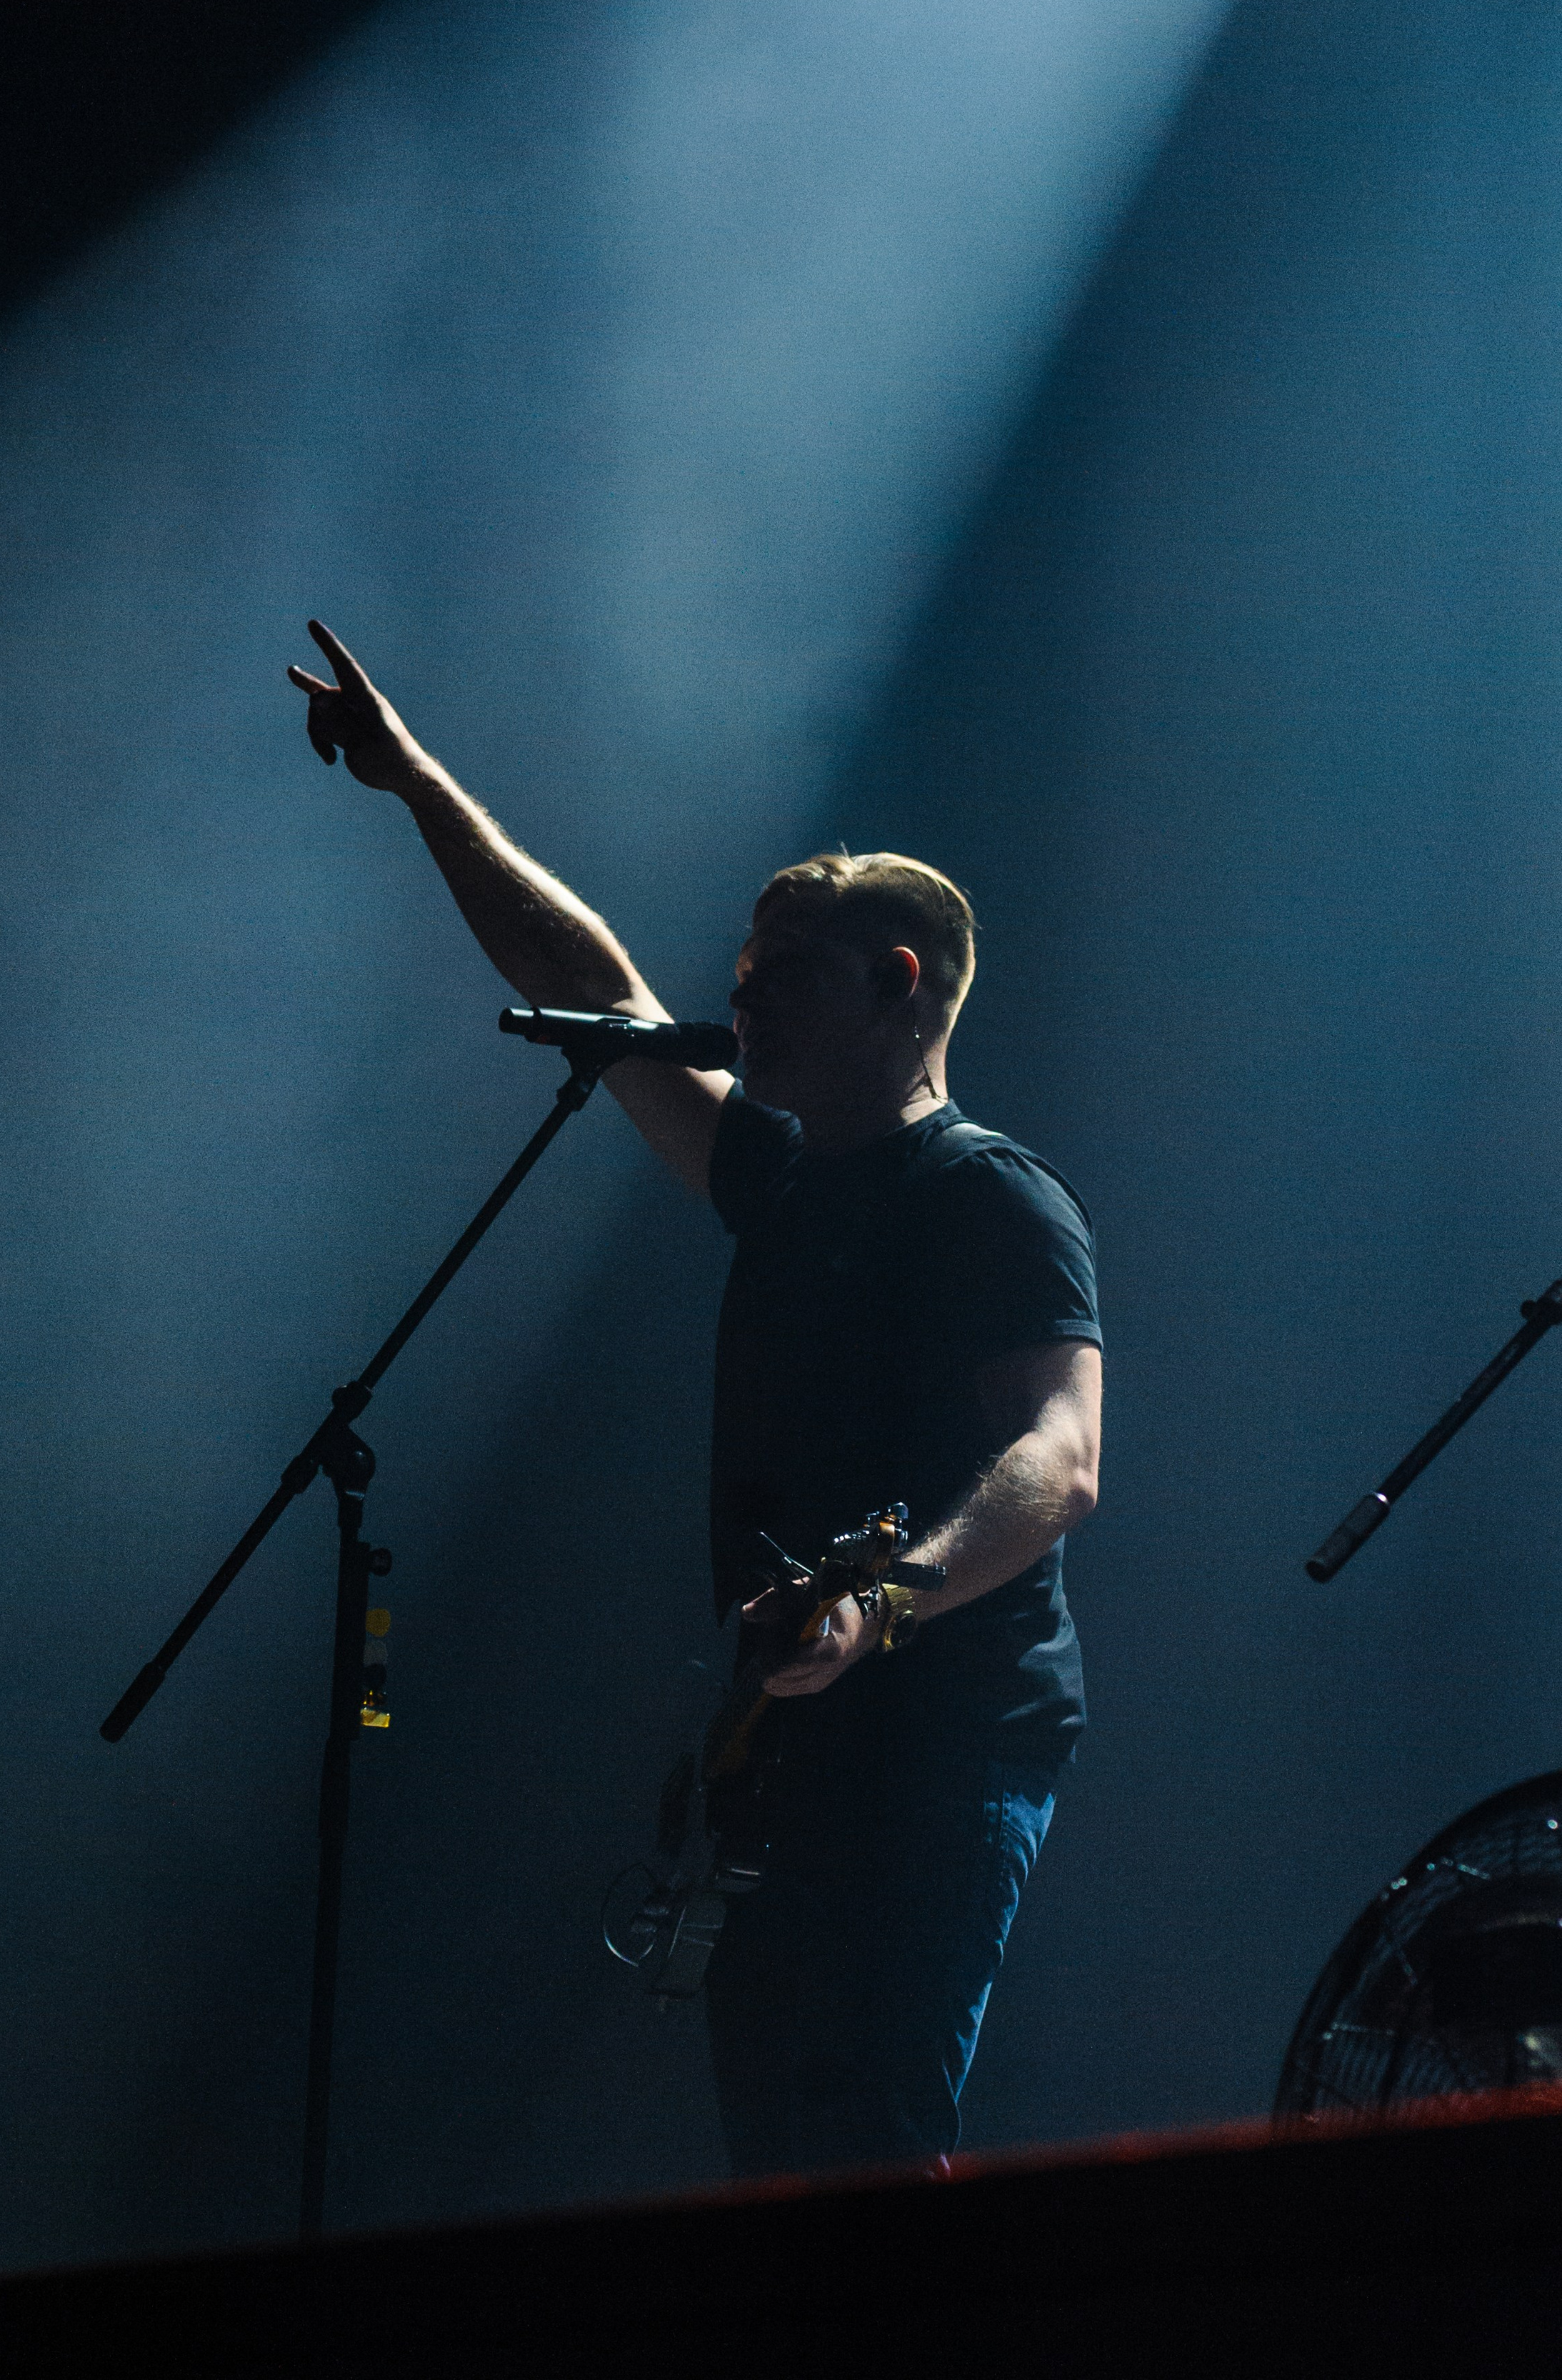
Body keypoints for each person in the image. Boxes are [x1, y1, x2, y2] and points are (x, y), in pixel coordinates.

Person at [288, 618, 1103, 2176]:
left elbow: (1057, 1461)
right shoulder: (777, 1175)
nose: (741, 999)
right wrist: (412, 784)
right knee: (774, 2161)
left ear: (896, 982)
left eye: (779, 975)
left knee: (868, 2135)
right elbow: (585, 976)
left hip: (941, 1733)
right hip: (786, 1742)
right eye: (739, 973)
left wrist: (883, 1604)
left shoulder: (994, 1199)